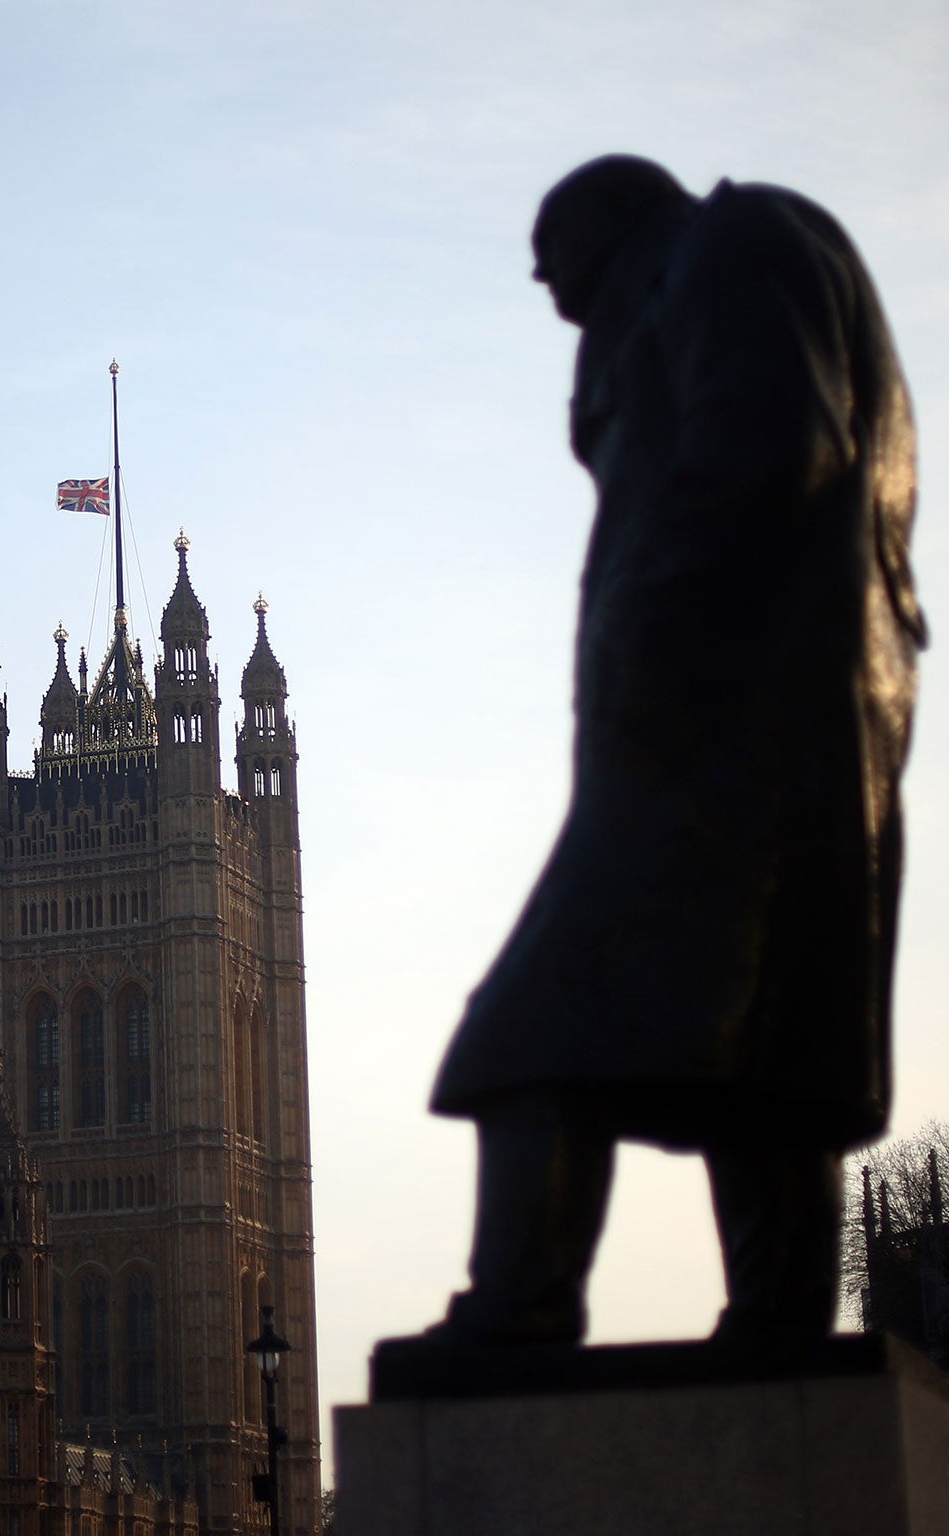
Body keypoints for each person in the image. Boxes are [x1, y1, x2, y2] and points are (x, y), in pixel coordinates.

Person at [428, 155, 926, 1349]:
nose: (554, 303)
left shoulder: (731, 246)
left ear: (609, 224)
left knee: (527, 1034)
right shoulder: (711, 268)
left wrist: (653, 621)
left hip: (730, 728)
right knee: (766, 1058)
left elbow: (767, 444)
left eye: (558, 277)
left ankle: (520, 1306)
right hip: (752, 729)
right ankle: (778, 1316)